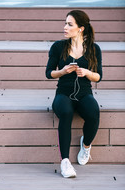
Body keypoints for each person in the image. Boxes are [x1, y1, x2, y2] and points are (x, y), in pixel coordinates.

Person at [46, 10, 102, 178]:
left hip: (84, 93)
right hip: (63, 93)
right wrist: (62, 71)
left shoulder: (93, 49)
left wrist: (86, 72)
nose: (65, 27)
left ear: (81, 28)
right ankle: (65, 162)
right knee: (66, 112)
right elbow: (49, 73)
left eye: (70, 24)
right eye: (65, 23)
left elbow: (98, 76)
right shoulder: (58, 47)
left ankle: (85, 146)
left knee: (93, 113)